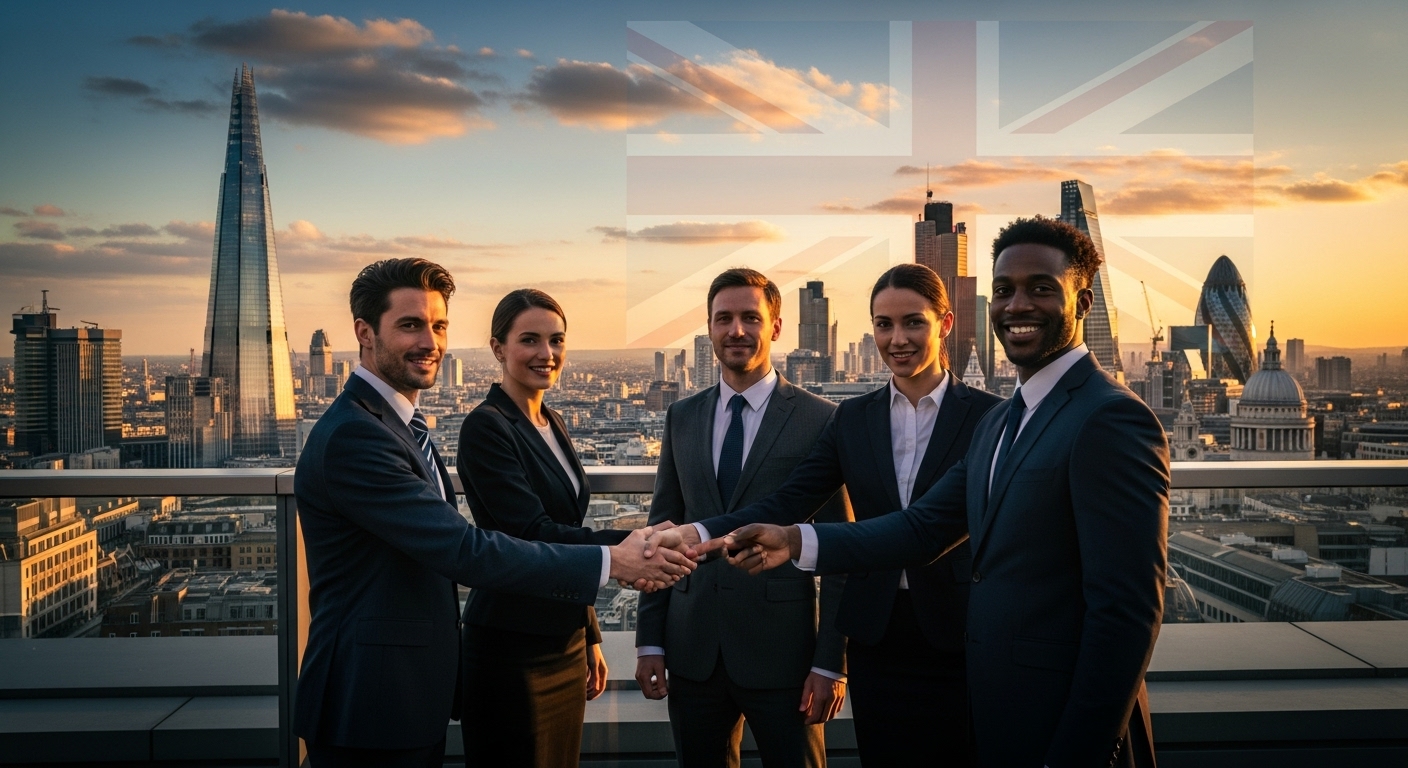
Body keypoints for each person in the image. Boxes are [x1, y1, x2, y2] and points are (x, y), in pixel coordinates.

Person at [698, 218, 1170, 768]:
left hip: (1055, 716)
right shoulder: (1008, 419)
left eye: (1041, 288)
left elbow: (1128, 613)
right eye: (1003, 290)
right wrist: (792, 540)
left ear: (1082, 302)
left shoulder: (1109, 418)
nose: (1017, 305)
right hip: (991, 694)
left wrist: (1082, 750)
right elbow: (923, 528)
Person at [294, 258, 695, 768]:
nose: (430, 342)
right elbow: (465, 548)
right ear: (364, 333)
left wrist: (620, 564)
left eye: (439, 326)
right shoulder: (358, 436)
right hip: (370, 693)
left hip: (402, 687)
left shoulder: (398, 426)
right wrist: (615, 561)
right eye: (410, 325)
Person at [683, 264, 1001, 767]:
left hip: (963, 630)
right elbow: (790, 500)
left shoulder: (991, 417)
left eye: (913, 323)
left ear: (944, 324)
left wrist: (794, 542)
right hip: (875, 634)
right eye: (883, 325)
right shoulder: (853, 418)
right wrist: (698, 531)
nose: (897, 339)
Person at [634, 268, 851, 768]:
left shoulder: (823, 419)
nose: (736, 330)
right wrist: (650, 641)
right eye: (724, 318)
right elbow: (660, 531)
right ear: (708, 328)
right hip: (691, 650)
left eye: (750, 317)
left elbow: (841, 549)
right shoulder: (681, 416)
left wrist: (831, 662)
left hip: (786, 654)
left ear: (775, 327)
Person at [456, 289, 630, 767]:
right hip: (511, 648)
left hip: (563, 640)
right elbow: (531, 532)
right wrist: (630, 546)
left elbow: (565, 526)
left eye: (556, 340)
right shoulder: (486, 427)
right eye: (529, 340)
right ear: (498, 348)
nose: (546, 354)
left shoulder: (551, 421)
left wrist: (588, 632)